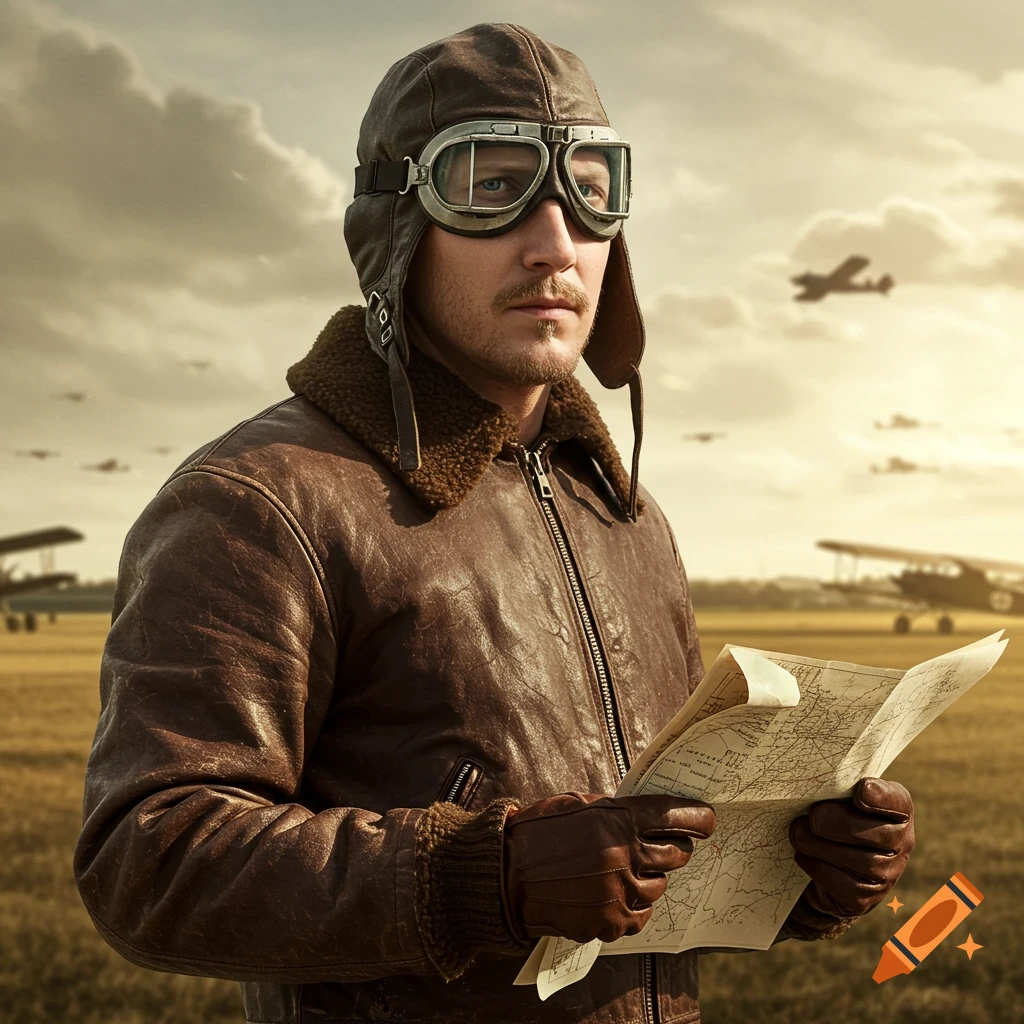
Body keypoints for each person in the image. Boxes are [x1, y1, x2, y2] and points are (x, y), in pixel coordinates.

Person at [74, 23, 915, 1024]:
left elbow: (643, 865)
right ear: (394, 227)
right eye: (489, 181)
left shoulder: (626, 514)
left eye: (592, 187)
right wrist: (482, 874)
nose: (555, 240)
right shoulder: (259, 501)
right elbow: (149, 858)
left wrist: (801, 867)